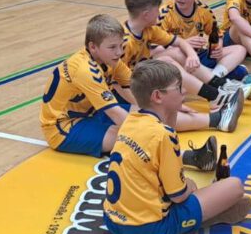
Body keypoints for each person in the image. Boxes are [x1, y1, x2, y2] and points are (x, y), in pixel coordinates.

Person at [38, 14, 218, 170]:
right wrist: (153, 129)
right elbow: (117, 115)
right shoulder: (85, 70)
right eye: (112, 47)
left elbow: (138, 90)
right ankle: (191, 158)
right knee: (129, 135)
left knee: (152, 111)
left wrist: (169, 105)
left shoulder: (110, 60)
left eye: (120, 46)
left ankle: (218, 119)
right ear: (93, 47)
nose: (119, 52)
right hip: (64, 127)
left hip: (91, 112)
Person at [102, 60, 251, 234]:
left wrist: (172, 108)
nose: (184, 91)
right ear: (157, 96)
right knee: (234, 186)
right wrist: (191, 185)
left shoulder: (131, 121)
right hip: (148, 229)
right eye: (178, 88)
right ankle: (205, 216)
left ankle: (210, 211)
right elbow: (178, 196)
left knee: (183, 185)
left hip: (112, 219)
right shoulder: (163, 135)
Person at [124, 0, 243, 132]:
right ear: (146, 15)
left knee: (168, 60)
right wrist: (148, 103)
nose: (159, 13)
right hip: (128, 91)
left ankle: (216, 93)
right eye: (156, 10)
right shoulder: (125, 43)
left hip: (141, 82)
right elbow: (118, 83)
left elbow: (179, 42)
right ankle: (218, 119)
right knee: (156, 114)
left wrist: (192, 55)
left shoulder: (149, 30)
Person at [156, 0, 251, 96]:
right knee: (238, 72)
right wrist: (184, 43)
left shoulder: (204, 11)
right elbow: (155, 49)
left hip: (198, 57)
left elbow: (217, 34)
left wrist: (218, 46)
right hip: (176, 60)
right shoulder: (164, 13)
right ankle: (214, 80)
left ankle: (211, 77)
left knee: (240, 50)